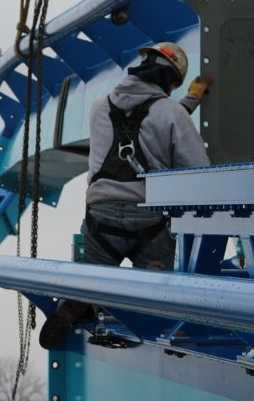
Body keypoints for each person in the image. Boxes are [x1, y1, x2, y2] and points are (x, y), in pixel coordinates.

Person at [39, 42, 213, 350]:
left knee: (90, 282)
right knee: (155, 287)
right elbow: (197, 168)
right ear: (167, 79)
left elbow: (140, 124)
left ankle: (71, 307)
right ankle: (143, 327)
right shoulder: (171, 113)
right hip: (149, 218)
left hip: (100, 215)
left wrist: (188, 103)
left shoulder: (99, 106)